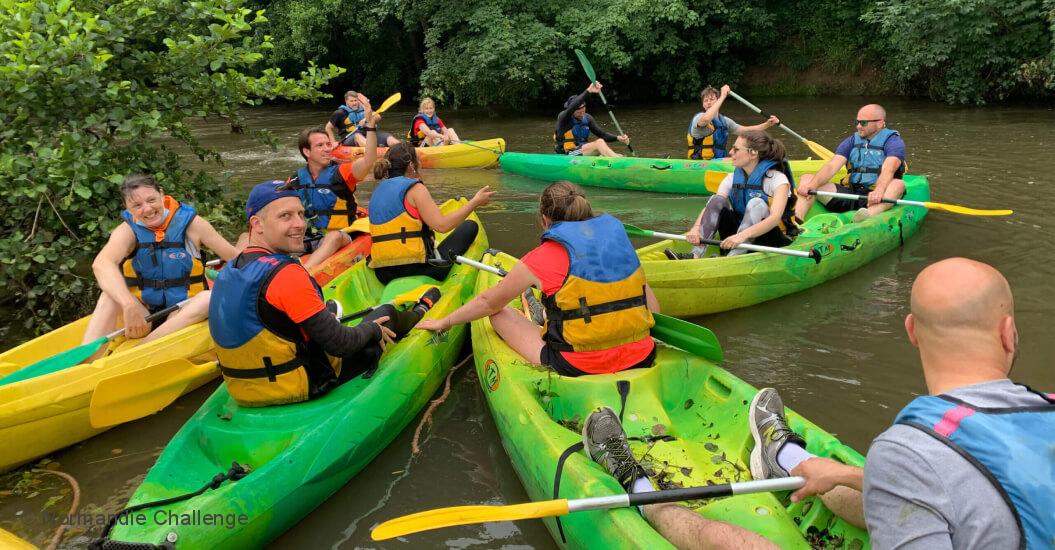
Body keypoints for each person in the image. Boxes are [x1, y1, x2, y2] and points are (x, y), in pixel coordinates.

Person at [753, 257, 1053, 548]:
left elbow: (928, 476)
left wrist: (890, 469)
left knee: (716, 533)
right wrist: (847, 474)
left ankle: (761, 478)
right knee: (896, 490)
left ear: (911, 331)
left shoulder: (908, 453)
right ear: (1008, 332)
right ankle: (788, 461)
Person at [208, 181, 440, 407]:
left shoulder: (230, 268)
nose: (300, 224)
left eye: (300, 214)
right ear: (257, 224)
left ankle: (329, 315)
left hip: (244, 390)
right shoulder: (286, 274)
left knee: (324, 313)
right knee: (386, 313)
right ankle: (423, 308)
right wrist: (372, 329)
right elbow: (341, 345)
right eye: (285, 216)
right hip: (300, 385)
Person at [418, 181, 660, 376]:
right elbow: (654, 308)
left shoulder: (542, 256)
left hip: (578, 364)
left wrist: (445, 322)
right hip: (641, 353)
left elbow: (487, 303)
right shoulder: (620, 243)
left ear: (545, 219)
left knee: (499, 314)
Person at [82, 174, 239, 361]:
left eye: (151, 200)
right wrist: (128, 304)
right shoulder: (127, 230)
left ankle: (138, 353)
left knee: (208, 298)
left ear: (162, 195)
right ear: (127, 208)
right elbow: (101, 264)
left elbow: (235, 258)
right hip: (143, 318)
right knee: (110, 295)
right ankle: (86, 362)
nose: (147, 209)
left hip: (182, 314)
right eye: (137, 206)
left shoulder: (192, 225)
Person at [367, 142, 493, 284]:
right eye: (418, 159)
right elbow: (442, 226)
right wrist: (475, 202)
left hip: (383, 274)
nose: (420, 163)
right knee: (470, 226)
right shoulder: (415, 188)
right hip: (419, 269)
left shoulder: (376, 192)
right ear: (411, 165)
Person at [668, 130, 799, 260]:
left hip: (770, 238)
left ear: (753, 153)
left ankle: (732, 258)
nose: (730, 152)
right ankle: (695, 254)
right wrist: (695, 229)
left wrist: (741, 236)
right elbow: (712, 207)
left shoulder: (778, 179)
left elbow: (775, 218)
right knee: (717, 200)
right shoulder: (731, 178)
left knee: (756, 203)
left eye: (736, 149)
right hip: (736, 237)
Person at [284, 104, 381, 270]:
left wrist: (370, 127)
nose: (327, 149)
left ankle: (305, 272)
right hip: (306, 238)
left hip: (341, 235)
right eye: (320, 146)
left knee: (334, 236)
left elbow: (368, 160)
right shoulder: (294, 179)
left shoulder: (341, 172)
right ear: (307, 152)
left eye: (328, 144)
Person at [793, 103, 907, 223]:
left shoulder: (893, 141)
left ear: (879, 123)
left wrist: (878, 191)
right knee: (807, 179)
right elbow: (832, 166)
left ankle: (867, 215)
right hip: (851, 194)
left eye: (863, 123)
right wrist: (812, 185)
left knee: (898, 184)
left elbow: (889, 169)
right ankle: (796, 220)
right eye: (857, 122)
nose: (858, 126)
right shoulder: (852, 140)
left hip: (877, 197)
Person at [687, 85, 779, 160]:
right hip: (701, 163)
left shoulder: (724, 121)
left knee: (746, 155)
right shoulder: (699, 118)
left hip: (719, 162)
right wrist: (723, 96)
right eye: (705, 101)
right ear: (703, 105)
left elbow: (746, 131)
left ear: (717, 100)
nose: (708, 102)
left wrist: (767, 124)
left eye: (711, 99)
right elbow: (706, 119)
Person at [554, 82, 630, 157]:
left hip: (582, 151)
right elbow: (574, 106)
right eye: (579, 113)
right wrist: (589, 90)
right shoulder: (564, 117)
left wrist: (618, 138)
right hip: (569, 154)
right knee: (599, 143)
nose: (582, 114)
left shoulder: (587, 118)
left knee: (618, 155)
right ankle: (617, 162)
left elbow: (602, 134)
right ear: (572, 110)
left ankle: (619, 160)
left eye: (583, 111)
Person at [325, 90, 400, 147]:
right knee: (357, 136)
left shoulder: (364, 109)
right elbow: (328, 127)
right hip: (350, 137)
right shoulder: (339, 113)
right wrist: (333, 142)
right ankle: (373, 151)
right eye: (351, 101)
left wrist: (366, 119)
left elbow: (378, 117)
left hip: (369, 134)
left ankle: (404, 150)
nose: (354, 103)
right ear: (346, 101)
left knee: (389, 138)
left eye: (356, 100)